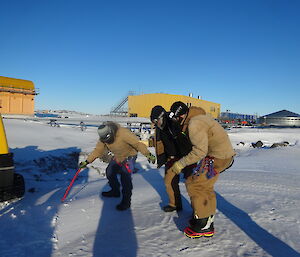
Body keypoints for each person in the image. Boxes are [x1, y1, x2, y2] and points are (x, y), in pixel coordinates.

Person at [168, 101, 235, 238]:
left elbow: (199, 151)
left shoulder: (194, 124)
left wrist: (180, 164)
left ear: (180, 116)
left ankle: (202, 224)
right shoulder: (199, 117)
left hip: (218, 157)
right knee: (206, 186)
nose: (175, 121)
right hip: (221, 155)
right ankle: (207, 218)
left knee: (194, 184)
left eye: (175, 118)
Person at [79, 121, 156, 211]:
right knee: (110, 172)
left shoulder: (123, 133)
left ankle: (126, 202)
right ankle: (115, 191)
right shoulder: (103, 137)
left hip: (129, 156)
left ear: (111, 132)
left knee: (125, 178)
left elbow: (138, 144)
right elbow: (98, 150)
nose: (107, 142)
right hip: (118, 156)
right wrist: (87, 161)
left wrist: (148, 154)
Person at [150, 105, 197, 212]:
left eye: (156, 121)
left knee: (191, 184)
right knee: (169, 181)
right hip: (171, 158)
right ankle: (174, 204)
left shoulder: (173, 123)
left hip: (186, 157)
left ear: (161, 117)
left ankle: (198, 210)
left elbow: (184, 141)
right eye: (154, 121)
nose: (155, 124)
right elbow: (161, 143)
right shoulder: (160, 127)